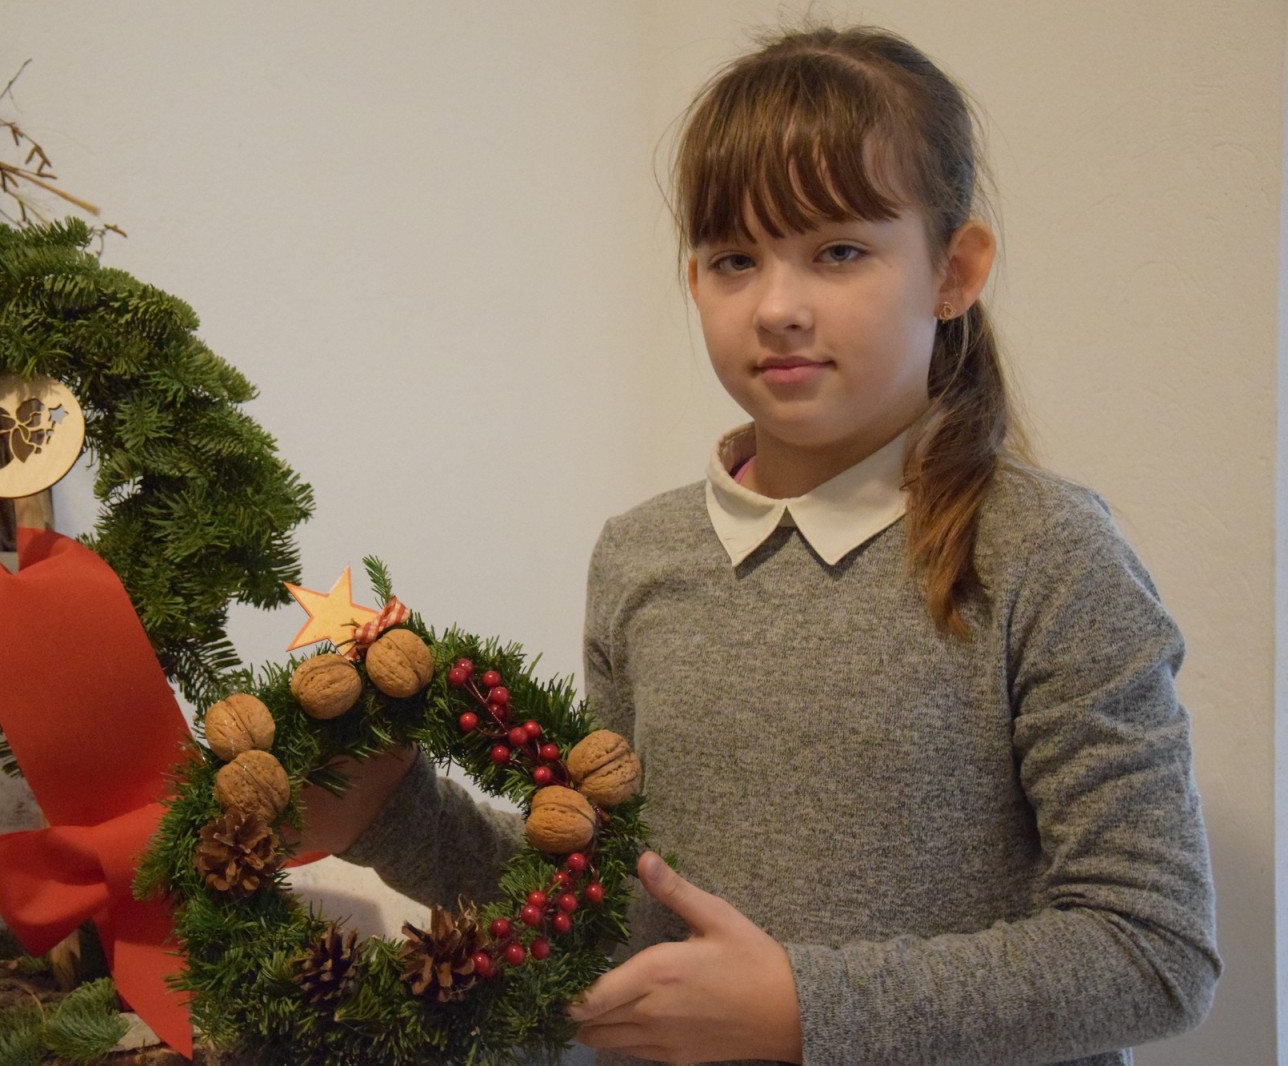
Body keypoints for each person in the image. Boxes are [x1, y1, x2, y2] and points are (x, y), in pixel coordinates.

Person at [302, 24, 1220, 1065]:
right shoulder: (641, 555)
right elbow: (612, 903)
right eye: (735, 259)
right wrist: (393, 814)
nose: (778, 307)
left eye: (839, 251)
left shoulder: (1048, 556)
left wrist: (802, 1009)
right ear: (695, 279)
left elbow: (1152, 950)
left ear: (953, 270)